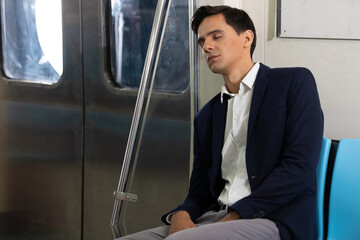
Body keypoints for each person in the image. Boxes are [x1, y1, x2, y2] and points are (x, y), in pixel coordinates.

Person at [119, 5, 323, 240]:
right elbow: (200, 191)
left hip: (274, 219)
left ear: (247, 38)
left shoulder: (292, 83)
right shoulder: (207, 115)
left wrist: (236, 216)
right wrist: (181, 213)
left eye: (216, 36)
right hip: (217, 216)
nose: (206, 46)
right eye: (202, 41)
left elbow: (299, 168)